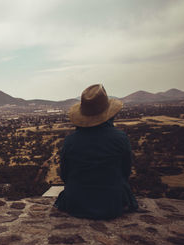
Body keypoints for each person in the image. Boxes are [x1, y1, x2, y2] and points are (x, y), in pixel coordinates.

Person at [54, 84, 138, 219]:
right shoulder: (120, 138)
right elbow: (125, 172)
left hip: (76, 203)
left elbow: (65, 175)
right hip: (112, 203)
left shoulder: (70, 141)